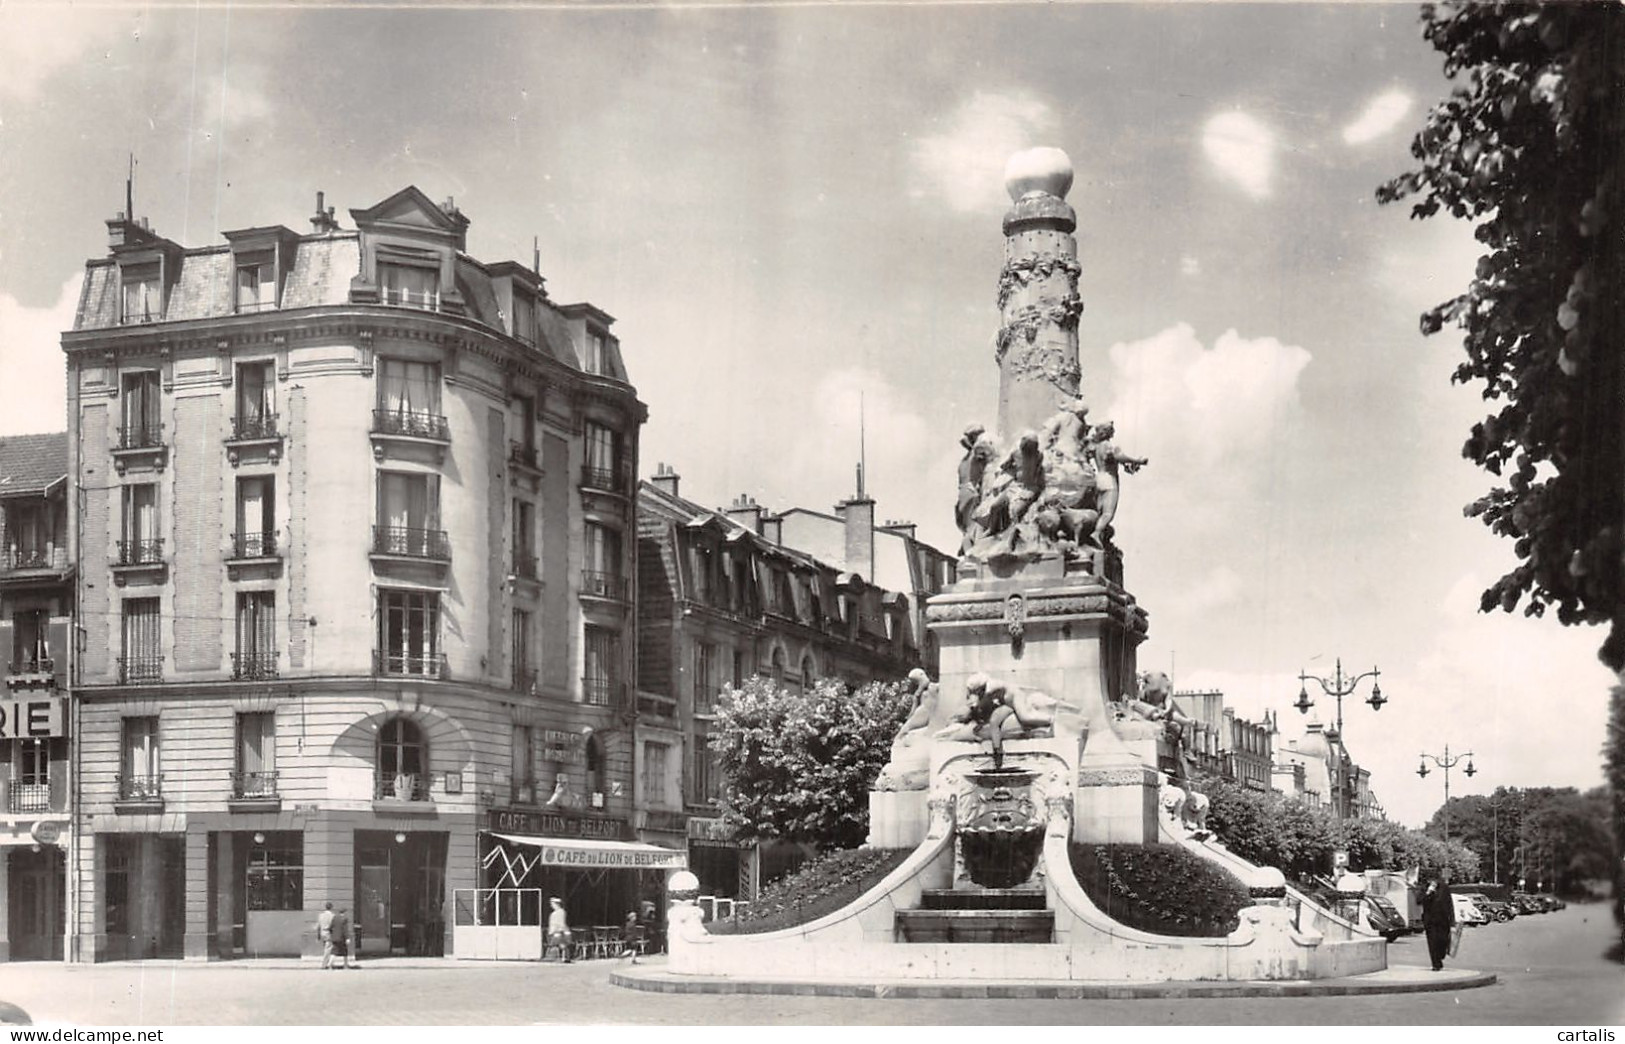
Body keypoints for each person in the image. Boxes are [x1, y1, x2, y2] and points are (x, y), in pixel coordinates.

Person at [1421, 871, 1457, 971]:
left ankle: (1441, 955)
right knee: (1432, 943)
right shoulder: (1425, 888)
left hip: (1443, 920)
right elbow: (1419, 900)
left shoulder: (1444, 888)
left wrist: (1452, 921)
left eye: (1434, 880)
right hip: (1430, 921)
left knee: (1443, 941)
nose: (1432, 882)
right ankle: (1436, 964)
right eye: (1430, 880)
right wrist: (1428, 892)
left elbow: (1450, 905)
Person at [547, 896, 573, 962]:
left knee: (560, 944)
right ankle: (562, 957)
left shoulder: (560, 912)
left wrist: (556, 930)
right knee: (561, 944)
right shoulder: (558, 913)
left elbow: (560, 923)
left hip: (559, 931)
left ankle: (561, 957)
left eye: (552, 904)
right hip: (557, 931)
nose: (551, 905)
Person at [316, 901, 335, 969]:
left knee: (326, 948)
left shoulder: (321, 915)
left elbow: (318, 926)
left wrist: (318, 935)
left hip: (322, 932)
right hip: (328, 933)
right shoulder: (332, 915)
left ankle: (327, 962)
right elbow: (333, 926)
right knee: (328, 949)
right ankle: (324, 964)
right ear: (331, 907)